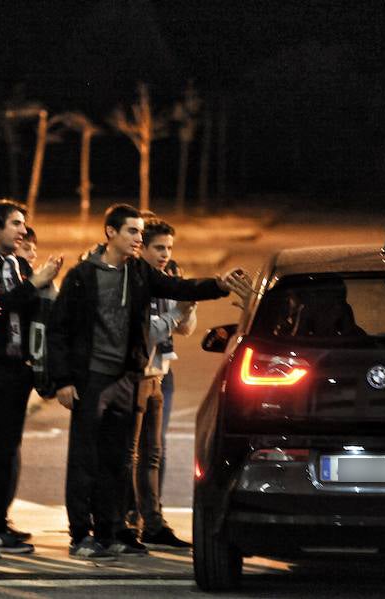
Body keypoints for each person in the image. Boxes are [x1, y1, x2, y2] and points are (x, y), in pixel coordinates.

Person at [47, 203, 250, 559]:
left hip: (128, 378)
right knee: (85, 460)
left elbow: (179, 287)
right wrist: (63, 380)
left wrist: (219, 284)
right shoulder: (83, 275)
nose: (139, 238)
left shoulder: (139, 272)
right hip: (92, 379)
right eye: (132, 231)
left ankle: (109, 533)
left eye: (141, 232)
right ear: (110, 232)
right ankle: (81, 535)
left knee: (118, 461)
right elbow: (59, 329)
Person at [0, 199, 62, 553]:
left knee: (8, 449)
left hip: (16, 367)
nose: (23, 230)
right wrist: (34, 283)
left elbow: (29, 308)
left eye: (23, 224)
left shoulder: (15, 263)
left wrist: (44, 285)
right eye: (15, 223)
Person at [123, 218, 195, 550]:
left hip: (161, 372)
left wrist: (186, 305)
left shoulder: (168, 277)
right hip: (135, 374)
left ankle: (153, 521)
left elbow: (185, 329)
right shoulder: (133, 279)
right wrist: (178, 312)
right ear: (143, 248)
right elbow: (150, 332)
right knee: (131, 452)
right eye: (159, 248)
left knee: (154, 452)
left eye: (169, 248)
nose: (165, 254)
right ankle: (126, 521)